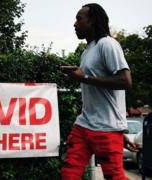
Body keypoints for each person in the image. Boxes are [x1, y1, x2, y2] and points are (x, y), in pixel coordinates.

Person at [60, 3, 139, 180]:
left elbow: (125, 81)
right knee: (69, 173)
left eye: (79, 19)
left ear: (93, 21)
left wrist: (84, 78)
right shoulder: (87, 51)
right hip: (83, 125)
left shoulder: (108, 44)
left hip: (106, 129)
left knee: (115, 176)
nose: (74, 24)